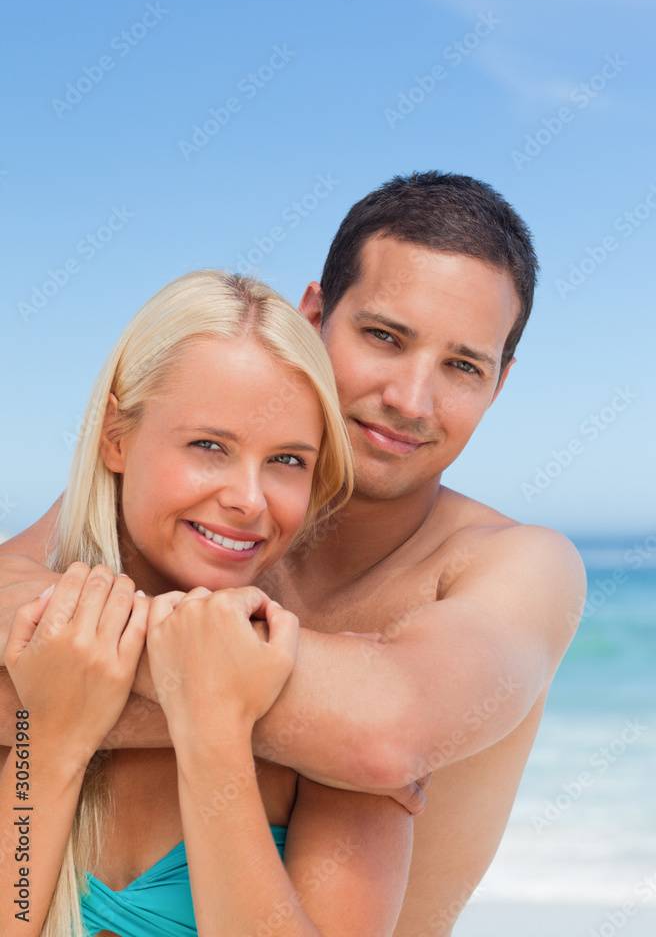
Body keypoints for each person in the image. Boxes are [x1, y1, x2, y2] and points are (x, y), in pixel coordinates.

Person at [0, 172, 586, 936]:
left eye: (462, 366)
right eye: (384, 336)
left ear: (499, 384)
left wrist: (72, 681)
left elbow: (379, 735)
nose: (410, 399)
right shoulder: (202, 521)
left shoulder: (516, 564)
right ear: (314, 317)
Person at [0, 270, 413, 937]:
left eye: (285, 461)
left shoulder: (339, 737)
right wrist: (47, 745)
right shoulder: (22, 664)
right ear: (115, 435)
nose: (249, 499)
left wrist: (212, 730)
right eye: (209, 446)